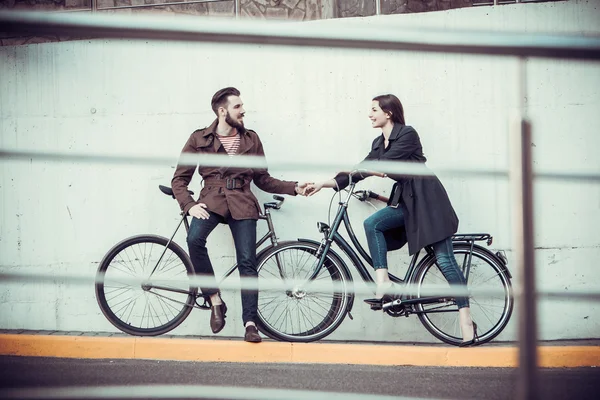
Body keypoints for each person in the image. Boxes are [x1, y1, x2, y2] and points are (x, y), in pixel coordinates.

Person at [304, 94, 477, 346]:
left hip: (429, 202)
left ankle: (466, 318)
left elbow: (385, 163)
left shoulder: (407, 134)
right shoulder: (378, 142)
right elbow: (360, 169)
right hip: (407, 201)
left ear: (389, 113)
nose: (370, 114)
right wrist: (323, 183)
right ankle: (383, 283)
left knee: (444, 260)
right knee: (372, 223)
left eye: (374, 109)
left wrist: (367, 168)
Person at [171, 87, 308, 343]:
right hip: (211, 200)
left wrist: (295, 187)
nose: (243, 110)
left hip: (243, 202)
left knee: (247, 262)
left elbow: (263, 179)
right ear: (223, 111)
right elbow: (179, 179)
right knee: (194, 240)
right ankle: (215, 299)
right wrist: (189, 205)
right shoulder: (198, 138)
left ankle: (250, 323)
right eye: (237, 107)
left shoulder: (251, 140)